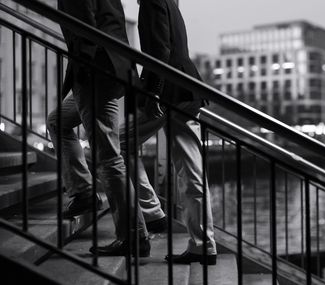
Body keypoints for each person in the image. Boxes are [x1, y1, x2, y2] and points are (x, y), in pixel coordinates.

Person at [46, 0, 150, 257]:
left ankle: (134, 236)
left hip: (96, 73)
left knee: (109, 158)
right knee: (57, 121)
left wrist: (85, 68)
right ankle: (83, 192)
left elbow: (84, 28)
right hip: (108, 69)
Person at [120, 0, 217, 265]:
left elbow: (160, 52)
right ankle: (203, 244)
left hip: (169, 90)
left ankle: (152, 212)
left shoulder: (152, 1)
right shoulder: (169, 2)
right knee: (192, 169)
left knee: (119, 143)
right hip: (187, 87)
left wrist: (154, 93)